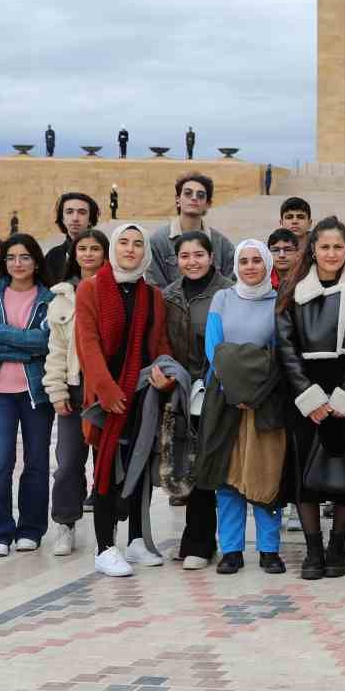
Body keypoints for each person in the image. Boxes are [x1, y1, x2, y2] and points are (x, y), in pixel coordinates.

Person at [277, 216, 345, 578]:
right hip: (305, 392)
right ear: (313, 250)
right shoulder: (293, 289)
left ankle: (337, 550)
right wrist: (309, 396)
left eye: (338, 247)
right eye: (324, 247)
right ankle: (313, 550)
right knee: (306, 473)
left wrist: (344, 398)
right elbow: (285, 347)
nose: (331, 253)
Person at [74, 223, 176, 577]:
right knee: (106, 471)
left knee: (140, 468)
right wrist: (107, 389)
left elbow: (159, 344)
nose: (130, 249)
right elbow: (86, 344)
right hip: (106, 402)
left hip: (142, 397)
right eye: (123, 243)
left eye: (137, 244)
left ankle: (135, 540)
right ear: (113, 249)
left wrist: (164, 375)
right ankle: (105, 547)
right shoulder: (91, 289)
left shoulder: (153, 295)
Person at [197, 240, 288, 575]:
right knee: (227, 476)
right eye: (244, 261)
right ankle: (232, 550)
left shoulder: (279, 301)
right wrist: (235, 388)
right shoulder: (223, 297)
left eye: (257, 261)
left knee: (265, 473)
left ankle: (269, 550)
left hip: (264, 401)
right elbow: (214, 349)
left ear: (267, 265)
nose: (250, 267)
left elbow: (279, 352)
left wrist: (255, 391)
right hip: (224, 398)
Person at [0, 232, 55, 557]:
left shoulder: (49, 299)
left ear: (36, 262)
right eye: (11, 258)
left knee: (36, 462)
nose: (17, 264)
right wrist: (25, 348)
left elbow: (48, 343)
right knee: (0, 461)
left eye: (24, 257)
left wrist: (2, 335)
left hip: (36, 391)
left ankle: (31, 528)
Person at [160, 231, 234, 567]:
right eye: (185, 256)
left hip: (215, 388)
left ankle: (201, 543)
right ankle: (196, 538)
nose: (192, 261)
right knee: (185, 462)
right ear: (177, 261)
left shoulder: (227, 291)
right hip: (181, 390)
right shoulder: (169, 296)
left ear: (211, 257)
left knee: (207, 463)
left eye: (199, 255)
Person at [44, 227, 109, 556]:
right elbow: (55, 349)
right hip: (75, 387)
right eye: (82, 248)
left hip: (107, 389)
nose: (88, 254)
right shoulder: (60, 298)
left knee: (106, 461)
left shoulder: (114, 290)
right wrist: (56, 390)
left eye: (95, 248)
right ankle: (65, 523)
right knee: (69, 461)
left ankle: (106, 530)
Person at [146, 173, 236, 286]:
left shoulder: (222, 244)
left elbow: (230, 286)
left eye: (201, 195)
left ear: (208, 204)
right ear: (178, 199)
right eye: (188, 193)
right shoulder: (158, 241)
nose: (194, 198)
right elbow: (155, 287)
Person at [45, 191, 100, 284]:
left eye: (82, 212)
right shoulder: (53, 256)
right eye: (69, 212)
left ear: (90, 219)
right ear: (62, 218)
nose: (75, 218)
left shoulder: (104, 254)